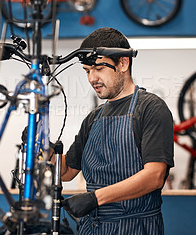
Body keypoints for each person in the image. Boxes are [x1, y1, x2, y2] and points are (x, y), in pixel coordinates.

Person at [61, 27, 174, 234]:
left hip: (135, 227)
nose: (92, 78)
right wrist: (43, 146)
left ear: (123, 63)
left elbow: (154, 176)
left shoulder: (150, 108)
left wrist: (95, 198)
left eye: (98, 68)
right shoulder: (93, 118)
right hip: (92, 228)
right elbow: (66, 172)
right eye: (87, 71)